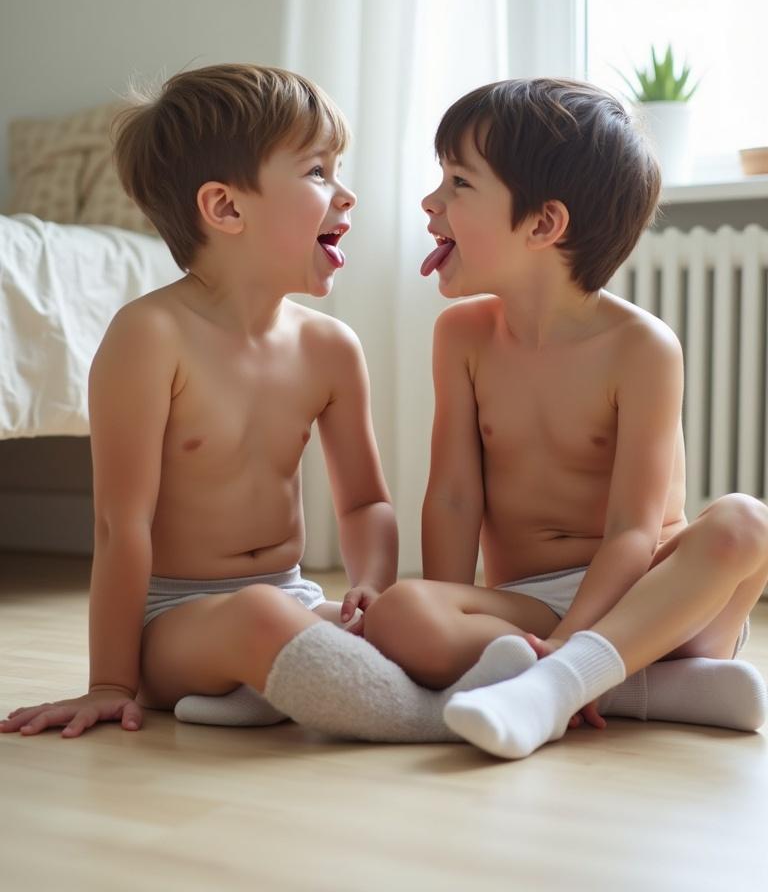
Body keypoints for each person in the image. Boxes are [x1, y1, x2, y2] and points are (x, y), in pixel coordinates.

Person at [0, 64, 546, 744]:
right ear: (226, 208)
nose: (345, 195)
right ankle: (432, 717)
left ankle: (292, 687)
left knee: (394, 618)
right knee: (260, 618)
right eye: (319, 173)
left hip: (294, 598)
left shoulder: (330, 348)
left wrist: (369, 589)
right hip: (172, 620)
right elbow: (120, 527)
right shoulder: (150, 337)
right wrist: (111, 683)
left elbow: (365, 505)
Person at [362, 77, 768, 759]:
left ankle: (562, 680)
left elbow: (635, 529)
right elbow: (456, 498)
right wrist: (445, 606)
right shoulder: (461, 336)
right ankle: (647, 690)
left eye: (459, 184)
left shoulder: (641, 348)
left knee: (746, 523)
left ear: (543, 224)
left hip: (651, 595)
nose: (431, 202)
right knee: (401, 614)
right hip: (529, 604)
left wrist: (567, 646)